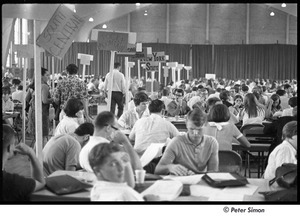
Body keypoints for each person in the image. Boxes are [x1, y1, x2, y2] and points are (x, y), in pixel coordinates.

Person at [154, 108, 219, 176]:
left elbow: (213, 172)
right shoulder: (176, 143)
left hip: (201, 181)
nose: (195, 133)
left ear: (206, 125)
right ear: (186, 125)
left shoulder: (212, 143)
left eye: (199, 129)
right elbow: (158, 170)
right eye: (191, 129)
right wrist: (170, 167)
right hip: (180, 180)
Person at [89, 142, 159, 201]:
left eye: (121, 162)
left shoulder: (96, 190)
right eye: (113, 164)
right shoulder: (124, 194)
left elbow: (128, 185)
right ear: (98, 171)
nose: (121, 168)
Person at [2, 124, 45, 201]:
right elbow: (40, 182)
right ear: (9, 147)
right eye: (14, 144)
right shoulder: (13, 183)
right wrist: (31, 153)